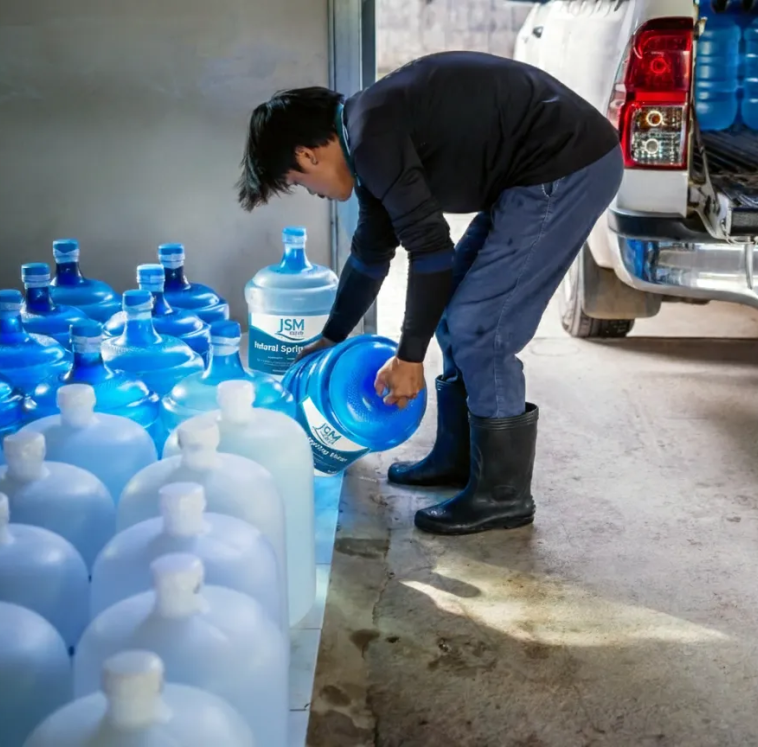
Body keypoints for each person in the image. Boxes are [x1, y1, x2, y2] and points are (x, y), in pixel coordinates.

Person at [237, 50, 622, 536]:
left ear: (308, 154)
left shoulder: (373, 133)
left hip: (567, 166)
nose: (310, 192)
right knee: (450, 316)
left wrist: (409, 357)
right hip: (532, 175)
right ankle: (461, 459)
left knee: (483, 329)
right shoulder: (365, 135)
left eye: (298, 181)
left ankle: (503, 494)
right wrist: (330, 339)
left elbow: (431, 249)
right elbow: (371, 255)